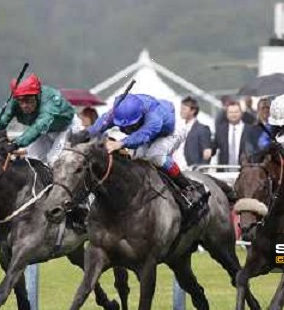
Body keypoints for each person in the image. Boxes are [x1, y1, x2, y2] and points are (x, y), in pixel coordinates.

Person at [83, 93, 208, 225]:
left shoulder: (154, 116)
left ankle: (188, 188)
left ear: (141, 114)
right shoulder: (116, 111)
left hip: (170, 132)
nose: (127, 129)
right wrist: (82, 135)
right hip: (148, 133)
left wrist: (119, 143)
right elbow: (98, 127)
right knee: (135, 159)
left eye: (131, 125)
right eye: (124, 126)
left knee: (155, 156)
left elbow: (143, 136)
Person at [0, 73, 75, 165]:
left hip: (65, 128)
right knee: (31, 159)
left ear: (37, 95)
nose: (24, 105)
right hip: (45, 131)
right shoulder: (17, 99)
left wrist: (16, 143)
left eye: (28, 100)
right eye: (20, 101)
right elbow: (5, 116)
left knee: (53, 160)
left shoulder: (50, 100)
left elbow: (39, 126)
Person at [213, 101, 253, 167]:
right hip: (224, 171)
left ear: (241, 113)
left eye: (236, 112)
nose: (233, 115)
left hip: (245, 170)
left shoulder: (250, 130)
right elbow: (214, 146)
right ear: (226, 114)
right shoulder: (220, 130)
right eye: (231, 112)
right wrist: (208, 150)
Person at [179, 97, 212, 167]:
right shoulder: (180, 128)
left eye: (184, 109)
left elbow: (206, 155)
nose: (181, 111)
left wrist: (200, 172)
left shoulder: (202, 129)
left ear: (193, 111)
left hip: (193, 171)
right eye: (181, 108)